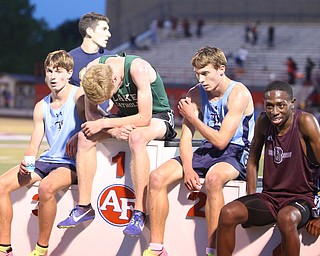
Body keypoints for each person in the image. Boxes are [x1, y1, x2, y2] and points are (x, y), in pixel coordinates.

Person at [143, 46, 255, 256]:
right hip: (207, 149)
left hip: (236, 151)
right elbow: (186, 137)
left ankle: (212, 251)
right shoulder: (195, 93)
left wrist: (194, 118)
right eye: (197, 74)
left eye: (205, 73)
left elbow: (222, 141)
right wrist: (187, 167)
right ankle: (156, 248)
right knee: (156, 177)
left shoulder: (238, 93)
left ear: (221, 69)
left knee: (213, 180)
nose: (201, 79)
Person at [57, 52, 177, 238]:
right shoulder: (92, 71)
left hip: (156, 115)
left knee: (136, 138)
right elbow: (92, 116)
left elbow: (144, 118)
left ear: (115, 79)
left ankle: (139, 212)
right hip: (123, 117)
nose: (108, 100)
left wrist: (105, 124)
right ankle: (84, 207)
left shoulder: (138, 68)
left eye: (109, 96)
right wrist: (112, 131)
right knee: (84, 138)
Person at [216, 80, 320, 256]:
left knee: (286, 218)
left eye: (281, 105)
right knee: (228, 213)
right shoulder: (264, 121)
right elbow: (252, 161)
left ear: (292, 103)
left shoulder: (305, 122)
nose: (274, 111)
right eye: (269, 106)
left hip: (302, 198)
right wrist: (249, 198)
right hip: (270, 198)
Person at [0, 50, 85, 256]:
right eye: (49, 71)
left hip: (72, 163)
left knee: (46, 188)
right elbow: (34, 143)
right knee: (1, 185)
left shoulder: (79, 96)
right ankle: (5, 249)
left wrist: (81, 134)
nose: (53, 76)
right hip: (47, 160)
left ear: (69, 73)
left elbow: (95, 123)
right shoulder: (41, 106)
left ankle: (41, 249)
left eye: (58, 71)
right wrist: (27, 164)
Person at [68, 12, 113, 115]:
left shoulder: (111, 59)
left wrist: (113, 97)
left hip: (102, 123)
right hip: (75, 122)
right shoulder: (69, 59)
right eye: (104, 29)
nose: (109, 34)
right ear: (90, 31)